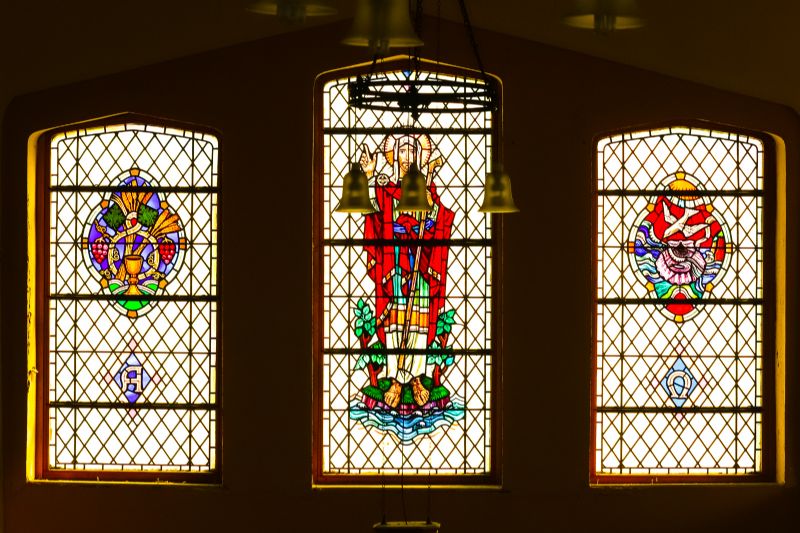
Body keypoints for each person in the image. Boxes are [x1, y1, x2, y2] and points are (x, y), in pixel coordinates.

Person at [360, 133, 455, 408]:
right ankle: (394, 379)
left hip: (420, 265)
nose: (407, 157)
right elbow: (371, 212)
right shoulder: (386, 190)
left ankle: (415, 377)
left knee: (419, 319)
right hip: (394, 263)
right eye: (402, 151)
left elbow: (442, 219)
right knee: (395, 320)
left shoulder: (428, 190)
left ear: (419, 157)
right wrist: (367, 178)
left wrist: (432, 209)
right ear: (394, 157)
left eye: (412, 151)